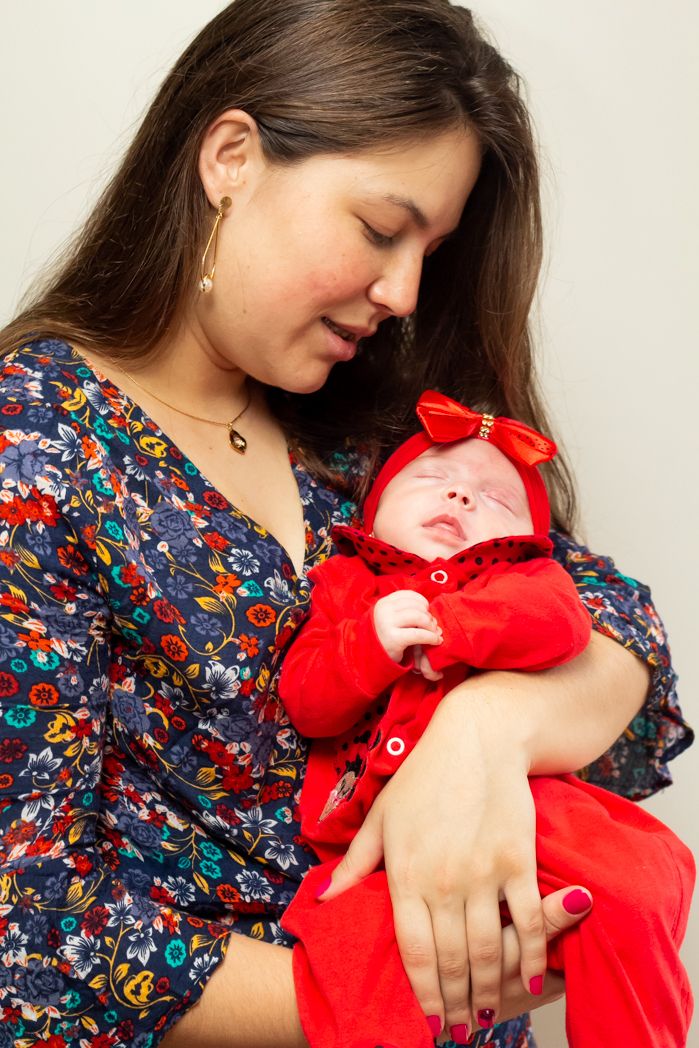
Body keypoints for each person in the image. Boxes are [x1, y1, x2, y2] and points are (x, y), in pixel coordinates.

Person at [0, 3, 691, 1047]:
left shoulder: (379, 433)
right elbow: (32, 938)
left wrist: (482, 731)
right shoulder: (38, 445)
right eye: (380, 228)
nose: (405, 292)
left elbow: (618, 625)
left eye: (431, 248)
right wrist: (401, 999)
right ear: (230, 157)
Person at [280, 390, 695, 1048]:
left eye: (494, 498)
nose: (460, 497)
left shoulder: (523, 582)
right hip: (365, 829)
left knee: (638, 878)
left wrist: (446, 627)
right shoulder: (341, 584)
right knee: (352, 962)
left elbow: (558, 626)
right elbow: (306, 698)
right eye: (431, 478)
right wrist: (370, 644)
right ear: (371, 508)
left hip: (521, 810)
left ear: (526, 543)